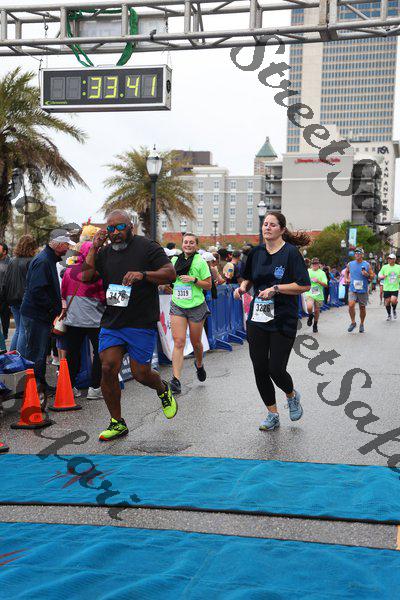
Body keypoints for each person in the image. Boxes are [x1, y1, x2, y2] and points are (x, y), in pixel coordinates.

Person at [82, 209, 178, 441]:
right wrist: (94, 248)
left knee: (141, 373)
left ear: (130, 227)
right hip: (113, 321)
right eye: (110, 228)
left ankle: (162, 389)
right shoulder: (104, 253)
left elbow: (170, 274)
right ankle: (117, 422)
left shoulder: (147, 247)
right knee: (107, 368)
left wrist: (143, 275)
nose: (115, 233)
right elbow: (85, 277)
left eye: (119, 227)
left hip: (140, 321)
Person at [234, 211, 310, 431]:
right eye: (265, 224)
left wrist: (276, 288)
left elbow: (304, 285)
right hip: (258, 317)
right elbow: (249, 278)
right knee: (260, 367)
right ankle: (272, 414)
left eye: (272, 224)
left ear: (282, 229)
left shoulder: (291, 253)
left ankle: (291, 395)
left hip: (283, 318)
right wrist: (242, 288)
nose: (267, 227)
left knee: (276, 369)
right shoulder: (256, 253)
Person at [18, 234, 73, 390]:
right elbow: (37, 290)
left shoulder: (47, 259)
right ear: (58, 245)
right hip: (37, 314)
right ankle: (34, 387)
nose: (68, 248)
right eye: (66, 245)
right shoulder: (43, 261)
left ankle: (39, 384)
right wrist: (51, 308)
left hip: (39, 314)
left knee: (39, 351)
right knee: (36, 351)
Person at [166, 233, 212, 395]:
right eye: (186, 242)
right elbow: (169, 279)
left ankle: (199, 364)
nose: (188, 245)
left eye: (192, 242)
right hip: (178, 305)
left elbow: (208, 285)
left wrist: (194, 280)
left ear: (196, 245)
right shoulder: (174, 261)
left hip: (196, 306)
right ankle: (176, 380)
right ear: (182, 244)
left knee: (196, 342)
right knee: (179, 341)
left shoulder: (200, 262)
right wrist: (169, 287)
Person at [61, 242, 106, 398]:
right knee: (100, 353)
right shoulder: (99, 274)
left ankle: (70, 387)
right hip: (96, 320)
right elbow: (105, 298)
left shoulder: (69, 271)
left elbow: (63, 293)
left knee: (73, 353)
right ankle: (95, 387)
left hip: (73, 320)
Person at [2, 235, 37, 351]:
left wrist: (6, 300)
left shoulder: (12, 261)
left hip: (13, 299)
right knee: (23, 330)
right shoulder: (32, 262)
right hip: (26, 300)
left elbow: (5, 281)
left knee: (19, 329)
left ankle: (12, 355)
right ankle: (18, 356)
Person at [345, 248, 374, 333]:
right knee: (351, 305)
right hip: (352, 288)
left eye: (359, 253)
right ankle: (353, 322)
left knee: (362, 307)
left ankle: (361, 323)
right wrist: (346, 278)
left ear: (362, 255)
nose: (357, 254)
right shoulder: (350, 264)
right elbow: (346, 271)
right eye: (356, 253)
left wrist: (367, 274)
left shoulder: (367, 264)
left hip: (363, 289)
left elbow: (372, 276)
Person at [304, 257, 328, 333]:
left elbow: (325, 285)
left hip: (318, 294)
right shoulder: (308, 271)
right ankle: (310, 316)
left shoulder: (322, 273)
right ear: (311, 264)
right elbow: (303, 279)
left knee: (317, 310)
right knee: (309, 306)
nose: (315, 265)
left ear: (318, 264)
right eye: (313, 263)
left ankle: (315, 324)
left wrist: (318, 281)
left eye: (316, 263)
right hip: (309, 292)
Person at [378, 253, 400, 321]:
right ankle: (389, 314)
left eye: (391, 259)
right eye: (388, 258)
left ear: (394, 259)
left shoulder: (398, 267)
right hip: (387, 288)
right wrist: (382, 276)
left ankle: (394, 310)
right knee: (387, 302)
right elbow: (379, 274)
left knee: (393, 300)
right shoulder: (385, 267)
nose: (389, 260)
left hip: (395, 287)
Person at [0, 242, 11, 340]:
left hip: (5, 295)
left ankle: (5, 335)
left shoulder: (10, 262)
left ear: (4, 251)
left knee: (5, 316)